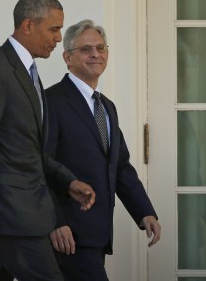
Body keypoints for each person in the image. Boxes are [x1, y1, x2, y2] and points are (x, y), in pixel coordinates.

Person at [0, 0, 96, 281]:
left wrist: (67, 181)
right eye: (53, 29)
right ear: (27, 26)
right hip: (13, 216)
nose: (58, 37)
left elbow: (28, 149)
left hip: (22, 215)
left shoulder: (29, 73)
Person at [45, 19, 161, 281]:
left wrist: (145, 212)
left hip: (98, 234)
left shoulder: (106, 106)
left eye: (100, 48)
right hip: (67, 236)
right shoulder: (52, 102)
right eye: (86, 49)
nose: (95, 54)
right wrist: (55, 222)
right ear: (68, 57)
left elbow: (120, 166)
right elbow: (42, 165)